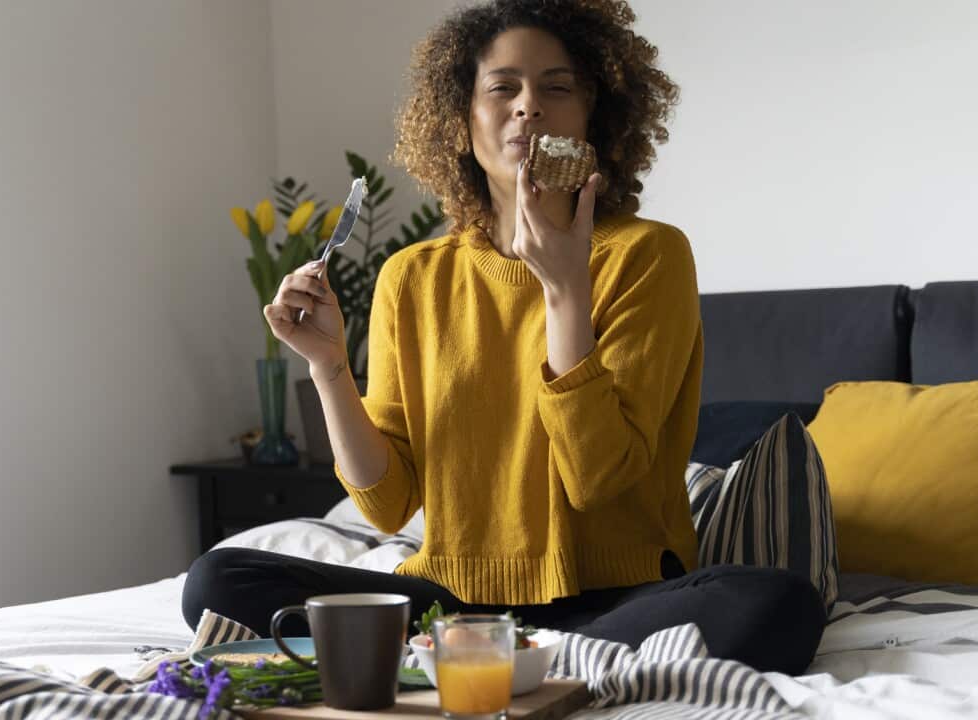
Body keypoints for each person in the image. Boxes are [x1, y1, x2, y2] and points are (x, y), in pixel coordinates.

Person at [184, 0, 825, 675]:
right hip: (452, 604)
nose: (529, 107)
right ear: (461, 121)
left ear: (594, 118)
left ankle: (498, 663)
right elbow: (386, 502)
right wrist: (328, 368)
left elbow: (598, 479)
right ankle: (517, 662)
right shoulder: (413, 276)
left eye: (557, 86)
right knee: (218, 583)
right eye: (503, 88)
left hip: (613, 598)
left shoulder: (648, 256)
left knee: (779, 605)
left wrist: (565, 291)